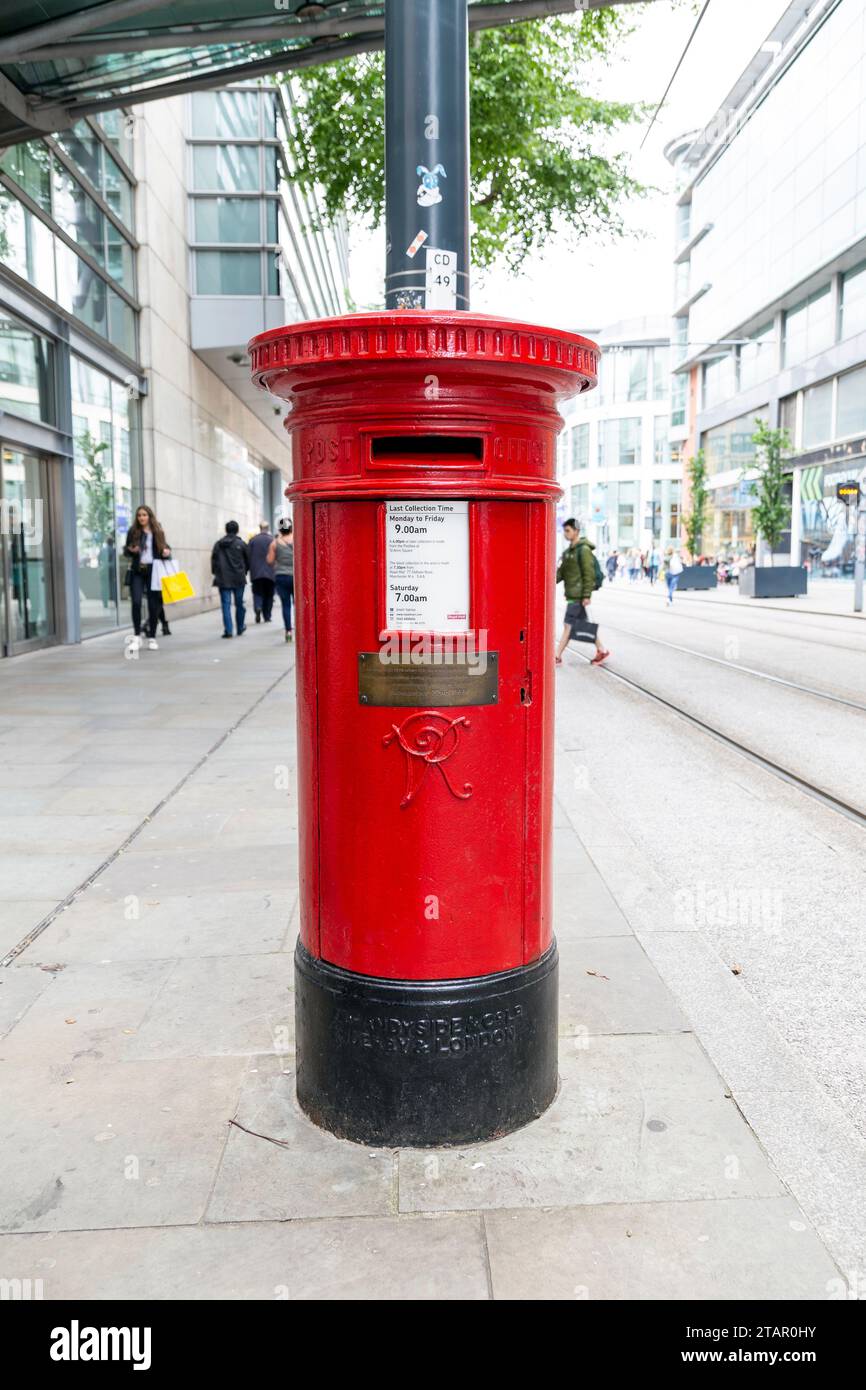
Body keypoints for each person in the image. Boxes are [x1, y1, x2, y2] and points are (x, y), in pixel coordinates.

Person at [554, 517, 610, 666]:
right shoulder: (568, 553)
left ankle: (557, 655)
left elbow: (588, 573)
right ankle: (602, 650)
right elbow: (560, 573)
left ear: (576, 531)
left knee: (568, 625)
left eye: (568, 531)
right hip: (572, 595)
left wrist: (586, 595)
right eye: (564, 531)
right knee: (584, 625)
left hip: (578, 596)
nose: (566, 534)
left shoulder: (583, 550)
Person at [123, 505, 171, 652]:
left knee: (153, 604)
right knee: (136, 602)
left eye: (144, 515)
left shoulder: (158, 531)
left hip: (154, 570)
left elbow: (166, 548)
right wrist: (131, 550)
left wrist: (166, 552)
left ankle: (152, 637)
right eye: (139, 515)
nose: (142, 518)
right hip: (138, 570)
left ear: (149, 516)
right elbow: (126, 550)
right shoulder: (133, 531)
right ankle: (137, 636)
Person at [211, 520, 249, 638]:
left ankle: (228, 630)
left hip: (223, 579)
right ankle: (240, 627)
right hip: (238, 579)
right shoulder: (241, 544)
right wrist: (244, 572)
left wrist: (216, 573)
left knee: (226, 605)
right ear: (237, 530)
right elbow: (248, 560)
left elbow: (214, 561)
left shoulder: (218, 544)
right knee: (239, 604)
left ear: (226, 530)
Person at [268, 517, 295, 642]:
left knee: (286, 605)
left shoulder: (275, 543)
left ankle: (288, 631)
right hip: (296, 578)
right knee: (298, 605)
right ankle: (300, 628)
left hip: (281, 576)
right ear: (291, 527)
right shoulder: (297, 539)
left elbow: (270, 560)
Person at [248, 522, 275, 625]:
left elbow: (248, 556)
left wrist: (248, 569)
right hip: (270, 572)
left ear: (260, 528)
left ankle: (258, 607)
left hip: (256, 572)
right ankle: (267, 616)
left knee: (257, 593)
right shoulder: (272, 540)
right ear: (267, 528)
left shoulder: (253, 540)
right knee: (269, 595)